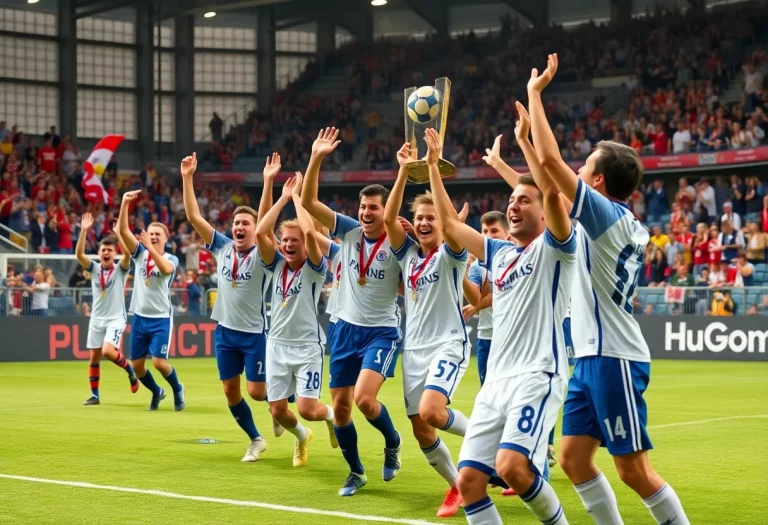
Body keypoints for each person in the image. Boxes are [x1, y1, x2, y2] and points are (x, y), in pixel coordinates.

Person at [529, 53, 690, 525]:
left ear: (599, 181)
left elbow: (550, 162)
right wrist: (523, 143)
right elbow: (549, 184)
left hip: (613, 354)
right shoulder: (616, 222)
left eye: (586, 166)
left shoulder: (604, 217)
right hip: (592, 355)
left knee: (634, 470)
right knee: (575, 460)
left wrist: (536, 96)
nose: (577, 169)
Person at [429, 106, 573, 524]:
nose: (513, 206)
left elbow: (552, 186)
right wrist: (434, 169)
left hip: (537, 374)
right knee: (470, 481)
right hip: (496, 383)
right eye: (511, 200)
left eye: (524, 200)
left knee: (513, 467)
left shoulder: (556, 248)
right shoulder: (501, 252)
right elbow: (451, 229)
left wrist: (526, 142)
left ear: (546, 212)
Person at [301, 127, 403, 497]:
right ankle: (356, 471)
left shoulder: (397, 242)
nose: (366, 213)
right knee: (341, 410)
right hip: (343, 327)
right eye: (363, 207)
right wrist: (317, 157)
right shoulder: (348, 231)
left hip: (380, 331)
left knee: (364, 399)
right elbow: (311, 203)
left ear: (385, 211)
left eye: (373, 208)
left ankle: (392, 442)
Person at [383, 142, 470, 518]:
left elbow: (452, 225)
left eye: (431, 218)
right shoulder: (408, 256)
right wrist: (403, 169)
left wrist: (433, 168)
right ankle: (457, 487)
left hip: (448, 343)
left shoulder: (452, 254)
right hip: (414, 350)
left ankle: (495, 441)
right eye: (419, 217)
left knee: (434, 412)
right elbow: (388, 222)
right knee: (422, 431)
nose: (423, 223)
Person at [181, 152, 279, 461]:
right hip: (224, 331)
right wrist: (187, 178)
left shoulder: (264, 256)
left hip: (252, 333)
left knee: (257, 392)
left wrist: (268, 182)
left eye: (245, 223)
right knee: (230, 392)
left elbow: (266, 224)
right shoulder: (223, 247)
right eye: (236, 222)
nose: (239, 227)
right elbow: (195, 218)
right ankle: (256, 439)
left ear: (254, 229)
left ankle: (278, 404)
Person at [256, 173, 337, 468]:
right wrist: (283, 198)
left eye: (294, 241)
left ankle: (329, 416)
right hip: (276, 345)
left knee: (307, 408)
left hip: (306, 347)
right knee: (277, 411)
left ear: (305, 244)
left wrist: (300, 200)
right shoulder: (275, 264)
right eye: (284, 240)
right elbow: (259, 232)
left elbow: (311, 233)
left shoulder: (316, 268)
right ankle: (302, 438)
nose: (288, 245)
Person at [117, 190, 185, 412]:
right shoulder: (139, 254)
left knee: (158, 362)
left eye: (158, 234)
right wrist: (125, 203)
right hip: (139, 317)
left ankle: (177, 389)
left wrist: (149, 247)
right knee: (136, 366)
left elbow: (165, 270)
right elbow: (122, 230)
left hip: (160, 318)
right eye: (151, 234)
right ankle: (157, 391)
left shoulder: (170, 258)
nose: (154, 237)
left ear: (166, 238)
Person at [76, 213, 139, 405]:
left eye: (110, 251)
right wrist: (84, 231)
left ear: (114, 253)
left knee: (108, 352)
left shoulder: (121, 269)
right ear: (99, 252)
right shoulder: (93, 268)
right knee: (94, 357)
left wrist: (119, 232)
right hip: (96, 319)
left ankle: (130, 372)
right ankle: (95, 395)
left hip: (115, 318)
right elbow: (79, 255)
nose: (106, 253)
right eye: (103, 250)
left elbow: (128, 253)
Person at [463, 211, 510, 385]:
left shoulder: (516, 258)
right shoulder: (476, 266)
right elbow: (473, 297)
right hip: (486, 334)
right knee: (486, 393)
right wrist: (463, 270)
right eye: (485, 231)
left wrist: (476, 307)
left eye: (494, 231)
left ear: (507, 233)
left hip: (510, 336)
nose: (489, 236)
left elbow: (502, 292)